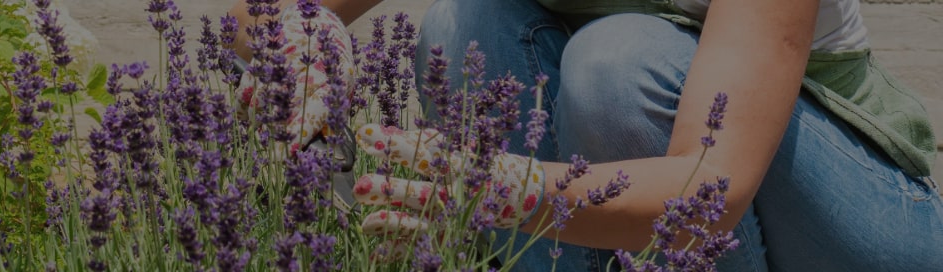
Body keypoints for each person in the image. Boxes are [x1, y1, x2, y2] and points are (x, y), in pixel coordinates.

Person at [227, 0, 942, 270]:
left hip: (854, 221)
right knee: (461, 28)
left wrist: (482, 189)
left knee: (616, 66)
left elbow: (709, 189)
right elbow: (257, 11)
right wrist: (300, 36)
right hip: (635, 173)